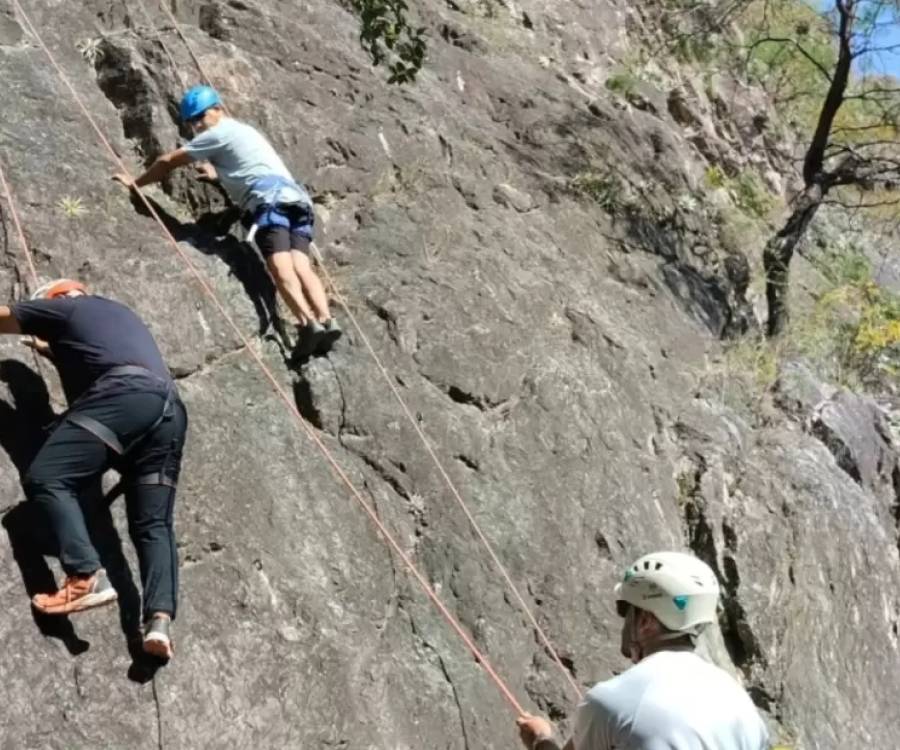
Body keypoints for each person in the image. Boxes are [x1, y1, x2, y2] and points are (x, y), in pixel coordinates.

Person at [0, 279, 187, 661]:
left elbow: (6, 318)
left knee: (48, 475)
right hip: (167, 413)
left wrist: (38, 320)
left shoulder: (66, 306)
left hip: (124, 398)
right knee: (153, 524)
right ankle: (159, 622)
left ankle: (84, 575)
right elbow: (94, 352)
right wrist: (52, 351)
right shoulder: (116, 314)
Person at [113, 84, 341, 359]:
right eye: (191, 121)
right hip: (296, 200)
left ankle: (308, 324)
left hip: (268, 201)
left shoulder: (218, 133)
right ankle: (328, 320)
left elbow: (167, 161)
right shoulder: (244, 130)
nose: (197, 125)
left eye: (200, 117)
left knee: (280, 266)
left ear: (218, 109)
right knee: (302, 265)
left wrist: (136, 183)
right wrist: (219, 174)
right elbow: (248, 166)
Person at [516, 552, 769, 750]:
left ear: (646, 620)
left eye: (625, 610)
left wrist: (540, 739)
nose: (623, 620)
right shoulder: (738, 702)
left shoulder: (609, 702)